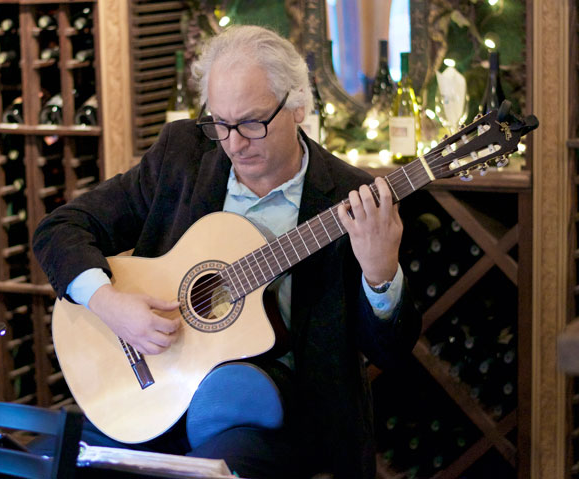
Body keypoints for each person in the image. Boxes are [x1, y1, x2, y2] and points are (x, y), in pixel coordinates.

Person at [33, 25, 420, 479]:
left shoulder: (351, 196)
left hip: (276, 419)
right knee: (47, 458)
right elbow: (60, 228)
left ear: (297, 106)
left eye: (252, 123)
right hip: (155, 387)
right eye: (220, 122)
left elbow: (391, 353)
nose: (233, 143)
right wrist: (109, 303)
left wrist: (379, 275)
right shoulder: (184, 154)